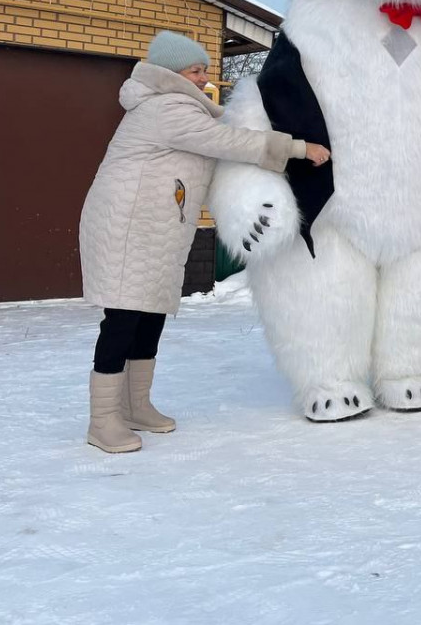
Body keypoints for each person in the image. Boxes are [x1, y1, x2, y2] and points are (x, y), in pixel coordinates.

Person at [79, 30, 330, 453]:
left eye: (204, 72)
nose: (203, 79)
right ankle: (102, 421)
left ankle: (136, 406)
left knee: (149, 315)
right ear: (171, 72)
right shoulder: (166, 108)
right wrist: (299, 148)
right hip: (128, 228)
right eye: (196, 71)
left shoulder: (179, 108)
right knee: (123, 318)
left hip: (153, 228)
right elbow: (227, 141)